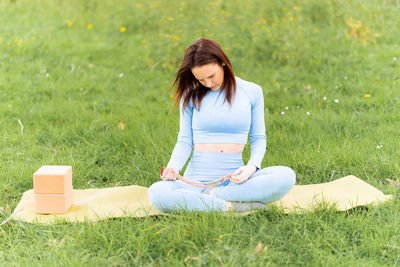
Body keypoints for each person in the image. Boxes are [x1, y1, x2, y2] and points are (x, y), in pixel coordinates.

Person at [148, 38, 295, 213]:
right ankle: (230, 206)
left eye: (211, 76)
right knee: (157, 192)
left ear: (223, 63)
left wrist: (252, 167)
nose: (208, 84)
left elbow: (258, 138)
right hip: (195, 181)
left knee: (286, 176)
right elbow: (185, 140)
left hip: (234, 181)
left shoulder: (252, 91)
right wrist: (173, 167)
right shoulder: (190, 95)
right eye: (201, 79)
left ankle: (213, 197)